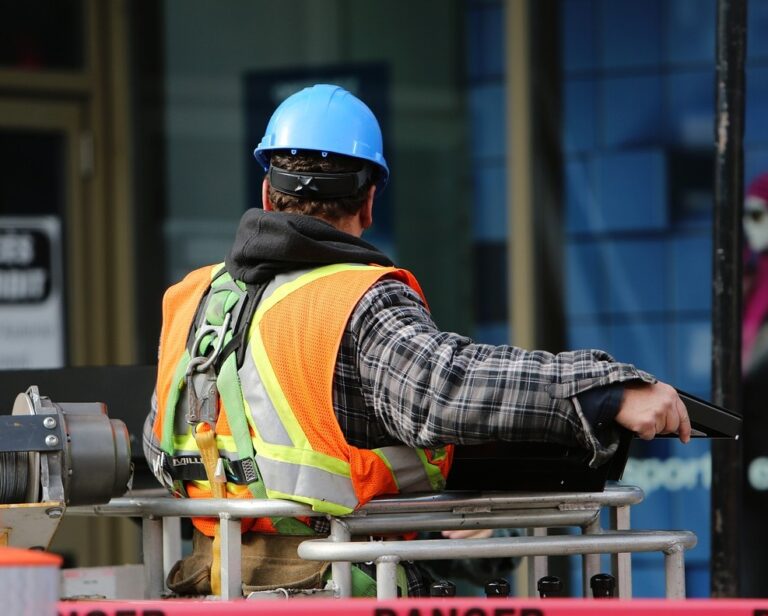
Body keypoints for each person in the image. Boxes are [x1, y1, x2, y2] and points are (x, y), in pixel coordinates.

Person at [143, 83, 690, 597]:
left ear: (266, 191)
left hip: (214, 586)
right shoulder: (355, 300)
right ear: (369, 201)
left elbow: (159, 442)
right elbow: (443, 389)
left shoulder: (192, 299)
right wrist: (607, 391)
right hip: (337, 588)